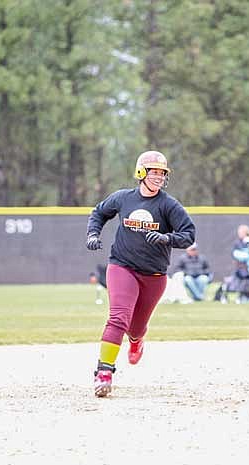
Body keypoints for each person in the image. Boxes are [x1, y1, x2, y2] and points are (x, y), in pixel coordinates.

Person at [85, 150, 196, 397]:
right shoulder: (123, 198)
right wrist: (93, 234)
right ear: (141, 173)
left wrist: (167, 237)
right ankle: (104, 372)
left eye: (162, 173)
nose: (158, 177)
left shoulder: (168, 205)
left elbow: (189, 234)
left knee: (135, 328)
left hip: (154, 276)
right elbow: (99, 212)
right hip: (122, 266)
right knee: (118, 318)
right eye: (154, 172)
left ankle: (136, 340)